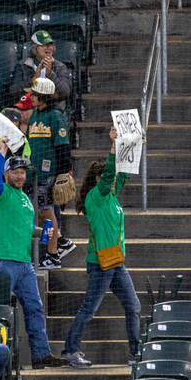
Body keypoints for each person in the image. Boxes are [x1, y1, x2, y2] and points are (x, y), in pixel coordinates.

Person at [63, 129, 141, 366]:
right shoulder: (96, 196)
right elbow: (111, 174)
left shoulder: (111, 197)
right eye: (109, 177)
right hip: (100, 263)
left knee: (133, 306)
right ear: (99, 179)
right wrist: (114, 146)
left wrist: (134, 143)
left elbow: (123, 173)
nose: (115, 179)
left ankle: (135, 354)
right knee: (89, 308)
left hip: (115, 261)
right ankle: (70, 350)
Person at [0, 139, 66, 369]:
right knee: (0, 311)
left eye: (23, 172)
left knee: (34, 308)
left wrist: (43, 231)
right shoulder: (0, 193)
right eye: (16, 172)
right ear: (6, 174)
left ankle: (41, 355)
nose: (21, 176)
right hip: (4, 261)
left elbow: (24, 227)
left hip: (24, 263)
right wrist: (1, 152)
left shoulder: (23, 197)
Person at [26, 78, 76, 269]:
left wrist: (63, 173)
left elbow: (63, 147)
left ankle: (53, 255)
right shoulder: (34, 116)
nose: (31, 97)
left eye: (34, 94)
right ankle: (60, 243)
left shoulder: (55, 116)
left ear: (44, 97)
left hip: (48, 174)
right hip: (33, 173)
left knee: (47, 213)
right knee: (40, 214)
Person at [10, 30, 72, 107]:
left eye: (50, 45)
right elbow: (13, 91)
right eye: (43, 45)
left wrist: (50, 74)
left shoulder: (60, 67)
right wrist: (33, 80)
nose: (48, 48)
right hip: (28, 107)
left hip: (53, 108)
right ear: (34, 48)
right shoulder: (22, 66)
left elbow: (65, 92)